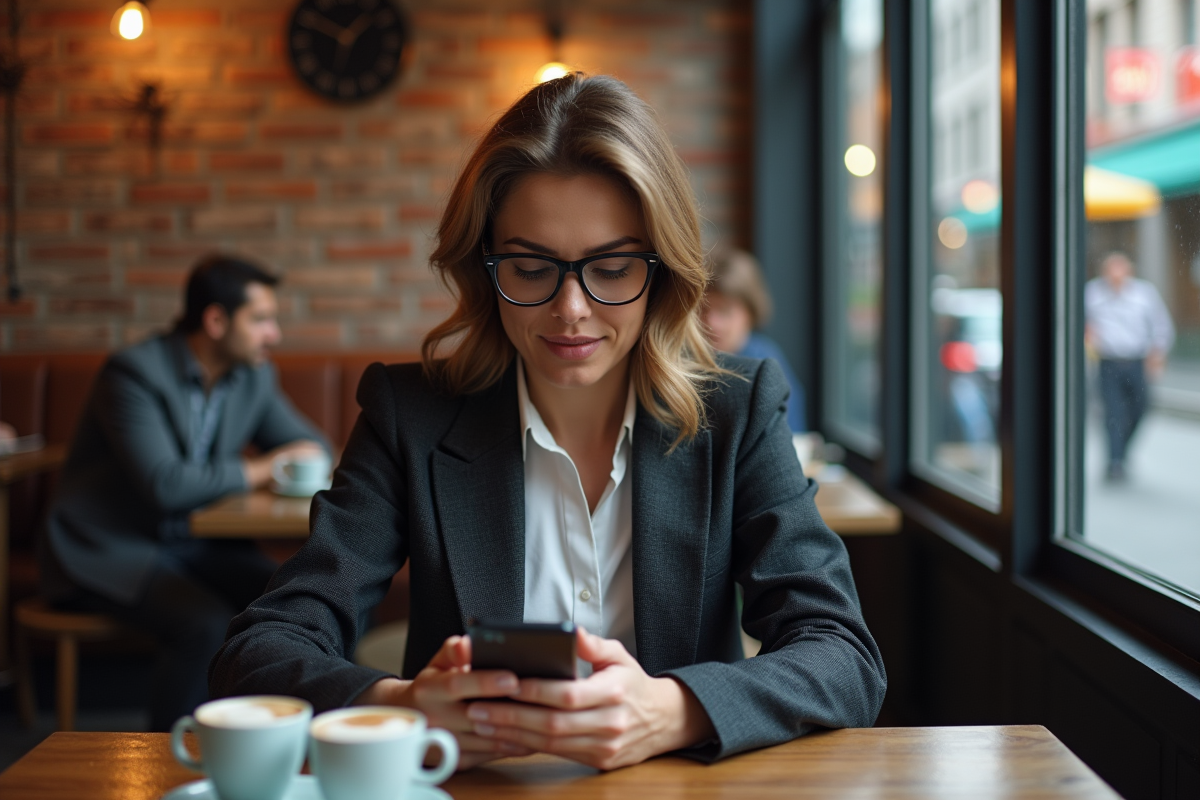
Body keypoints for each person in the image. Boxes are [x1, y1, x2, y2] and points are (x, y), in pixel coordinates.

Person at [211, 74, 884, 770]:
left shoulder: (737, 409)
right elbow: (259, 651)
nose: (570, 309)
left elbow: (842, 655)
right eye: (531, 268)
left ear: (664, 273)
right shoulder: (408, 414)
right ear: (484, 267)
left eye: (613, 267)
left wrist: (672, 709)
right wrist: (402, 707)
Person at [39, 254, 328, 731]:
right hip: (108, 549)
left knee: (293, 594)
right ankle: (169, 758)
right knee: (205, 624)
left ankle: (278, 735)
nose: (273, 334)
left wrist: (287, 461)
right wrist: (261, 470)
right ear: (216, 320)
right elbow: (165, 484)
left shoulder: (251, 375)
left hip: (190, 543)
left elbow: (309, 446)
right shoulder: (132, 373)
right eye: (260, 320)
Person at [1084, 251, 1174, 482]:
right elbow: (1081, 322)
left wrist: (1157, 354)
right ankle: (1115, 462)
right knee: (1113, 412)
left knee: (1140, 408)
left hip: (1136, 361)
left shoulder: (1144, 294)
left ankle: (1122, 450)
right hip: (1108, 362)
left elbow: (1161, 325)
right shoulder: (1092, 293)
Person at [701, 248, 806, 432]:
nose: (711, 322)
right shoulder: (686, 361)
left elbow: (790, 435)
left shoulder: (766, 366)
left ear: (751, 312)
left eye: (724, 311)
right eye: (703, 309)